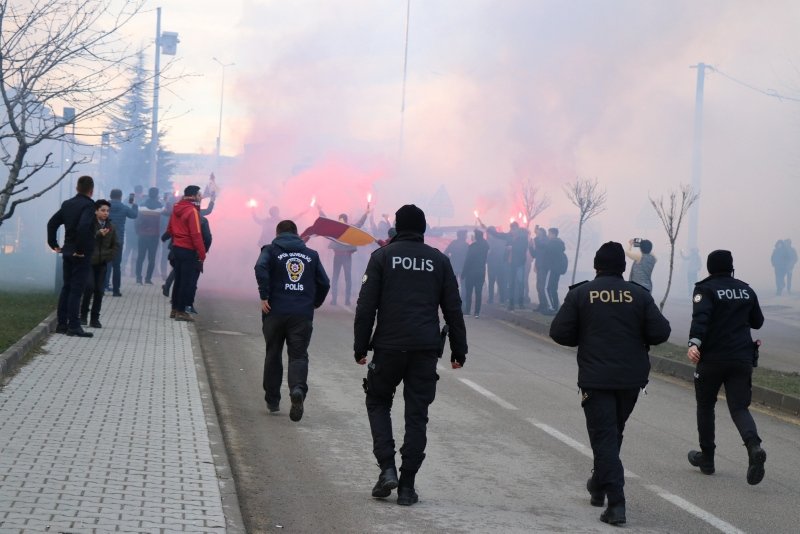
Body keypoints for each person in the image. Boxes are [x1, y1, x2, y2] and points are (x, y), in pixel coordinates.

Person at [549, 242, 671, 525]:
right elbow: (660, 332)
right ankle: (598, 485)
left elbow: (559, 332)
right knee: (612, 433)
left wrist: (585, 335)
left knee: (604, 438)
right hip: (631, 380)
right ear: (623, 267)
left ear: (596, 265)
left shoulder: (581, 293)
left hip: (596, 378)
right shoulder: (638, 295)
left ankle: (616, 503)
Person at [354, 204, 468, 506]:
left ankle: (387, 468)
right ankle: (407, 486)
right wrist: (459, 349)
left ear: (396, 226)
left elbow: (366, 306)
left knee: (377, 401)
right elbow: (453, 309)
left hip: (389, 347)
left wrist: (360, 346)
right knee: (417, 416)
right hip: (424, 350)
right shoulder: (439, 261)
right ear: (424, 229)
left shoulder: (382, 257)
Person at [686, 250, 766, 485]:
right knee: (739, 408)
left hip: (711, 359)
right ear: (731, 267)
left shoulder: (705, 289)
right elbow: (758, 322)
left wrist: (694, 343)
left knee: (705, 406)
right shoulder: (746, 290)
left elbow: (701, 318)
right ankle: (754, 446)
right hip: (741, 359)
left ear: (710, 268)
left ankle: (707, 459)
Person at [254, 219, 330, 421]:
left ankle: (272, 400)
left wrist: (264, 295)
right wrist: (315, 302)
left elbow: (260, 267)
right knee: (298, 356)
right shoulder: (311, 255)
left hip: (274, 311)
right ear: (297, 234)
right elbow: (325, 282)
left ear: (277, 233)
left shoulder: (270, 250)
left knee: (273, 354)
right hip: (301, 314)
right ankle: (297, 389)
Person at [47, 175, 97, 337]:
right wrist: (81, 249)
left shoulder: (67, 204)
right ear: (91, 190)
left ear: (77, 188)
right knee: (77, 289)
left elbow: (52, 223)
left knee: (66, 287)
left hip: (67, 250)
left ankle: (62, 324)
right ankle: (74, 326)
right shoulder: (89, 206)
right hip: (80, 253)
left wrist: (53, 243)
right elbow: (83, 227)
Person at [165, 185, 207, 322]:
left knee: (178, 279)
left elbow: (170, 229)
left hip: (176, 247)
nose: (200, 198)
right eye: (199, 195)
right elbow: (196, 234)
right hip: (188, 250)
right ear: (194, 196)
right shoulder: (191, 211)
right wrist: (202, 253)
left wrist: (178, 238)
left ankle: (174, 309)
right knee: (186, 281)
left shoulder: (176, 207)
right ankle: (181, 311)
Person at [318, 205, 369, 306]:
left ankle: (340, 300)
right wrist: (320, 210)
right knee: (342, 278)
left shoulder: (342, 228)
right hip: (342, 256)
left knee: (341, 278)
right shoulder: (346, 228)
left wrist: (366, 214)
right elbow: (360, 223)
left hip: (343, 256)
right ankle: (342, 299)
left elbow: (360, 223)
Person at [80, 199, 119, 328]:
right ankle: (83, 315)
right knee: (89, 287)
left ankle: (95, 318)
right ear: (96, 211)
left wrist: (109, 256)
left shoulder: (111, 226)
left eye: (107, 211)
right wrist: (97, 234)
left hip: (102, 263)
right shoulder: (90, 224)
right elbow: (84, 239)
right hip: (89, 261)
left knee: (99, 290)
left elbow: (115, 245)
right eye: (102, 210)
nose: (105, 213)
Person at [104, 189, 138, 296]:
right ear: (120, 196)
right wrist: (134, 205)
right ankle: (116, 290)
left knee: (106, 264)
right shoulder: (124, 207)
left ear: (110, 195)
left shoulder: (105, 208)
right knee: (116, 266)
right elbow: (134, 215)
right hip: (118, 240)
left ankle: (103, 287)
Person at [134, 187, 163, 285]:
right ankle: (148, 279)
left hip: (142, 235)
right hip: (154, 236)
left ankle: (138, 278)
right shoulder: (160, 207)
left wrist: (137, 231)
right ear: (157, 195)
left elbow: (137, 221)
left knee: (140, 257)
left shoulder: (141, 206)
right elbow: (163, 221)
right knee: (152, 258)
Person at [461, 229, 489, 317]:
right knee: (478, 292)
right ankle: (477, 312)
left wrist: (463, 273)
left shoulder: (473, 247)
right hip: (481, 272)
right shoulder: (485, 246)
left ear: (476, 236)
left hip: (471, 272)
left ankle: (467, 311)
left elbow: (468, 260)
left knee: (469, 292)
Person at [543, 227, 567, 314]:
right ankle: (555, 306)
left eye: (549, 234)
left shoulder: (552, 243)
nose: (548, 236)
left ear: (553, 234)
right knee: (553, 288)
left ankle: (551, 307)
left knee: (547, 288)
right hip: (557, 269)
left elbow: (547, 253)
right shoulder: (560, 243)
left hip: (552, 269)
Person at [529, 225, 549, 312]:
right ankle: (542, 305)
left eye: (540, 231)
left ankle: (545, 305)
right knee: (538, 287)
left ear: (543, 233)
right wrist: (530, 246)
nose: (538, 233)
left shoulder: (545, 241)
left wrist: (536, 237)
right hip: (539, 266)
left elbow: (541, 245)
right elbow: (534, 254)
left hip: (544, 266)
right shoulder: (539, 241)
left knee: (541, 287)